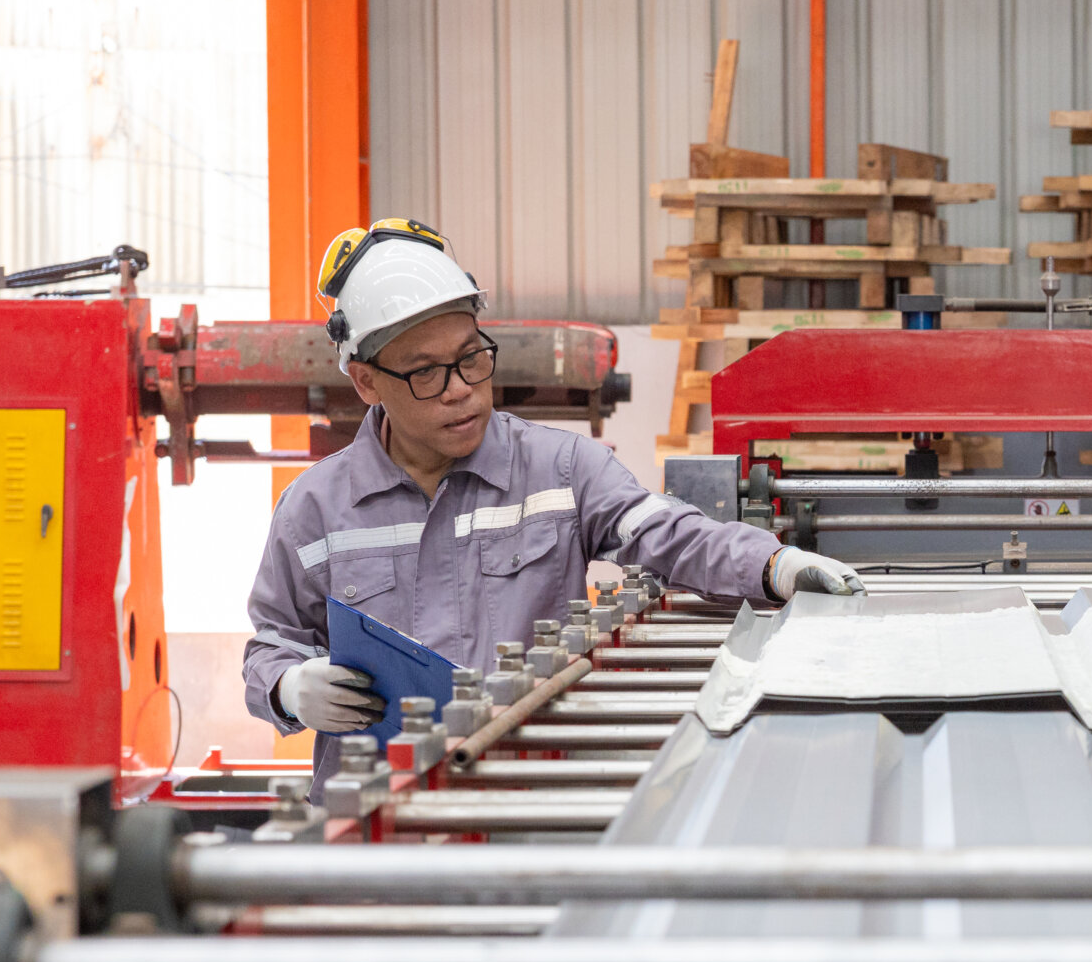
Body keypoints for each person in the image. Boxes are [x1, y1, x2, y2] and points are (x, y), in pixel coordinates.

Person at [244, 218, 860, 766]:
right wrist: (290, 688)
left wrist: (777, 565)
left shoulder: (560, 470)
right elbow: (270, 645)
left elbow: (666, 534)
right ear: (366, 381)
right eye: (427, 372)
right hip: (378, 814)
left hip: (529, 786)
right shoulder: (315, 510)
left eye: (471, 358)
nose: (461, 389)